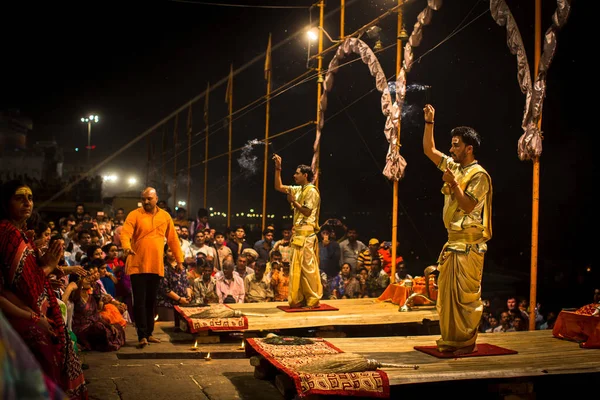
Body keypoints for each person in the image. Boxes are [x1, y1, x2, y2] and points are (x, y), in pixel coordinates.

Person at [0, 180, 88, 399]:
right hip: (13, 311)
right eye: (19, 198)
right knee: (44, 345)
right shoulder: (5, 234)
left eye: (30, 198)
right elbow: (23, 287)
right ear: (5, 202)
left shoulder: (21, 234)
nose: (27, 203)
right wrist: (48, 267)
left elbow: (31, 278)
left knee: (62, 340)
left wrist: (49, 266)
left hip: (29, 308)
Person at [422, 104, 492, 355]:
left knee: (465, 298)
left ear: (468, 148)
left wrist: (453, 184)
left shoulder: (479, 175)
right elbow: (429, 150)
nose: (451, 150)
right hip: (452, 242)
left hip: (469, 245)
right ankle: (451, 340)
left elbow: (468, 204)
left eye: (455, 145)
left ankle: (465, 342)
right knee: (447, 298)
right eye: (451, 145)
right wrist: (429, 122)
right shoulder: (454, 166)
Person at [120, 187, 184, 348]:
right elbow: (125, 233)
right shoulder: (134, 214)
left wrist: (180, 261)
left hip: (156, 265)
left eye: (149, 198)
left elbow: (173, 240)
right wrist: (126, 247)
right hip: (137, 265)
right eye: (143, 199)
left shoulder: (165, 216)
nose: (146, 202)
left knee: (151, 302)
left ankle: (149, 333)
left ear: (156, 199)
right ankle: (142, 335)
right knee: (139, 302)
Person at [272, 154, 323, 308]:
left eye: (297, 173)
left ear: (305, 175)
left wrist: (293, 202)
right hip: (298, 236)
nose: (294, 175)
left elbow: (307, 212)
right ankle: (298, 299)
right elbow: (278, 186)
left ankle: (313, 299)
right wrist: (278, 168)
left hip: (307, 236)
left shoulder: (311, 191)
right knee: (296, 270)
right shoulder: (297, 189)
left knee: (308, 269)